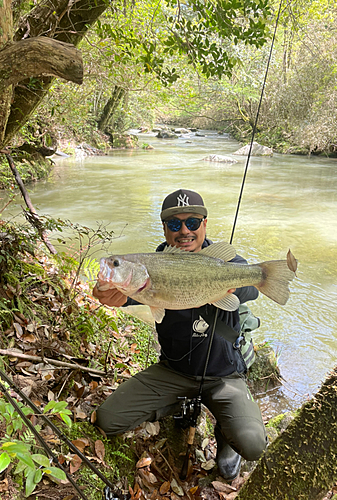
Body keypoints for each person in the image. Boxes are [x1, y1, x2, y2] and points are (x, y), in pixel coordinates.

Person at [93, 188, 267, 481]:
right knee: (107, 420)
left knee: (252, 444)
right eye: (175, 224)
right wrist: (112, 295)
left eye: (193, 222)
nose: (184, 231)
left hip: (223, 376)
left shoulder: (226, 262)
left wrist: (220, 280)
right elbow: (129, 296)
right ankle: (172, 403)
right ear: (164, 229)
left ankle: (227, 441)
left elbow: (251, 289)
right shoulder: (151, 269)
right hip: (173, 371)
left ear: (204, 224)